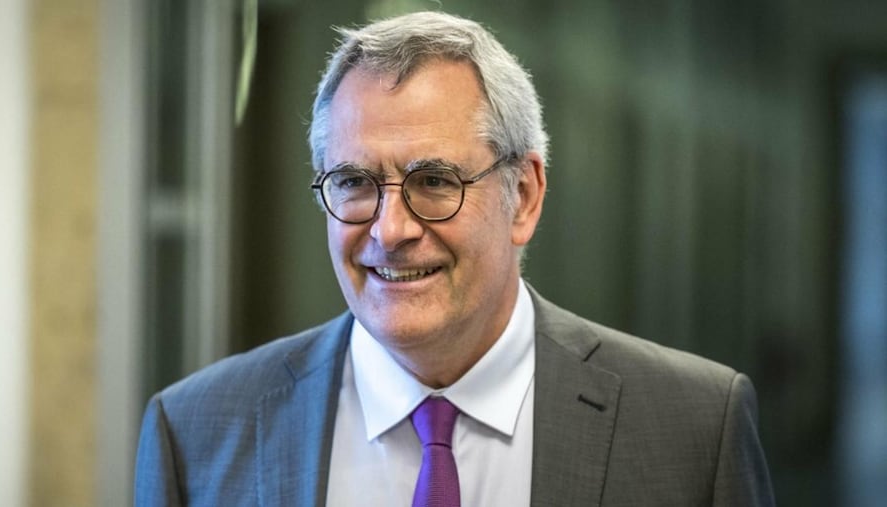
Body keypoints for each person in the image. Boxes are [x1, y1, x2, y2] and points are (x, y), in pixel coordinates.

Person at [135, 11, 774, 506]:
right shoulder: (195, 434)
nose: (390, 230)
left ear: (524, 197)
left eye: (435, 181)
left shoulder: (693, 429)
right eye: (354, 182)